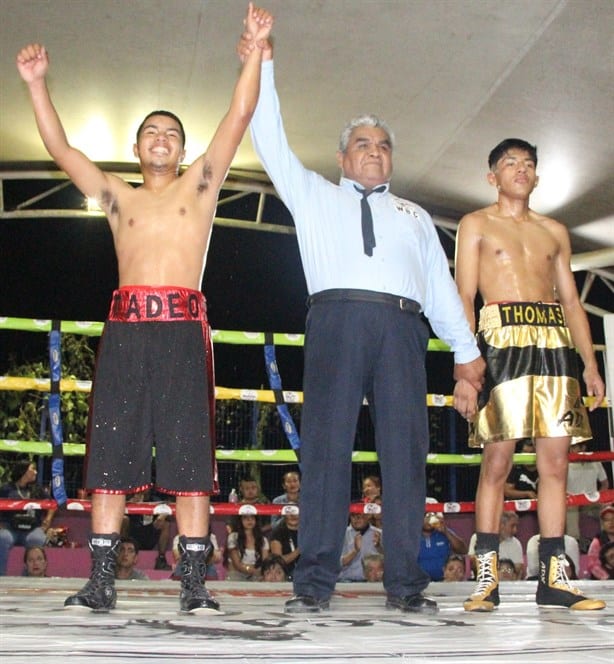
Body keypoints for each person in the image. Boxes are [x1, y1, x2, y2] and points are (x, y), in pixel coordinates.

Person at [15, 3, 274, 614]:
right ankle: (101, 581)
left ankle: (192, 585)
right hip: (128, 328)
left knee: (189, 459)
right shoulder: (114, 197)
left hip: (183, 328)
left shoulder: (201, 186)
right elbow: (59, 147)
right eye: (152, 132)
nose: (162, 139)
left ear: (183, 149)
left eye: (172, 133)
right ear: (136, 146)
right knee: (108, 452)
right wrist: (35, 84)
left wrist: (256, 51)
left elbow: (239, 115)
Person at [241, 25, 484, 616]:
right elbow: (269, 139)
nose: (375, 151)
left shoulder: (414, 215)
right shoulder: (313, 194)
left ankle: (405, 584)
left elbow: (440, 287)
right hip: (336, 320)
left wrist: (467, 355)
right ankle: (315, 582)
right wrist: (264, 66)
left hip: (402, 328)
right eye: (364, 144)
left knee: (406, 451)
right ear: (344, 156)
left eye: (383, 146)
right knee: (325, 448)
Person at [455, 137, 606, 612]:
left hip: (554, 342)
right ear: (492, 176)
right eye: (509, 163)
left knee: (556, 465)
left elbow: (572, 301)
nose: (519, 169)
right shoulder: (475, 224)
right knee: (496, 462)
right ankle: (486, 578)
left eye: (527, 164)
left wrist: (591, 364)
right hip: (500, 342)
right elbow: (463, 296)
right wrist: (463, 366)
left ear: (537, 176)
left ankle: (555, 579)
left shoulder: (555, 231)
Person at [0, 458, 58, 576]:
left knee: (37, 539)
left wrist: (47, 521)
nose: (36, 472)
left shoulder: (37, 489)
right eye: (33, 469)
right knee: (3, 538)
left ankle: (29, 578)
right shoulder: (6, 489)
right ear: (24, 471)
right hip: (10, 528)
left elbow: (52, 505)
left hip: (32, 528)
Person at [565, 441, 609, 543]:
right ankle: (574, 542)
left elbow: (605, 483)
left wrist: (599, 496)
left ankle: (606, 540)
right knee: (571, 508)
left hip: (591, 501)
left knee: (606, 507)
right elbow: (559, 487)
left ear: (583, 447)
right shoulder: (565, 463)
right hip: (572, 501)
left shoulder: (595, 461)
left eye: (574, 447)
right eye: (570, 447)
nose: (571, 450)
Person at [121, 490, 172, 571]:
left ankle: (161, 559)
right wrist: (130, 504)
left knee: (165, 524)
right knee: (124, 519)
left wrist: (162, 515)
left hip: (149, 534)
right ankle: (120, 555)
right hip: (132, 534)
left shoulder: (155, 498)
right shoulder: (129, 495)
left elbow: (170, 506)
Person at [468, 511, 525, 580]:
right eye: (512, 526)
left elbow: (518, 571)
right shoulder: (478, 538)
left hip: (507, 583)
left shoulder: (516, 543)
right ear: (501, 525)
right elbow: (474, 564)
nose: (515, 530)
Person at [418, 508, 467, 582]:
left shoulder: (443, 532)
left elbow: (463, 550)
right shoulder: (411, 535)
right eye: (426, 515)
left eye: (432, 515)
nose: (428, 519)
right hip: (417, 583)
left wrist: (446, 531)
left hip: (444, 581)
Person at [338, 512, 383, 582]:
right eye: (353, 516)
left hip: (373, 583)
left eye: (360, 515)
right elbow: (334, 564)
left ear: (368, 516)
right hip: (346, 582)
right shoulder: (340, 534)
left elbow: (391, 562)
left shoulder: (380, 534)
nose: (357, 519)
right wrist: (355, 551)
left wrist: (379, 547)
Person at [225, 513, 270, 580]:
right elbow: (237, 564)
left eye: (252, 517)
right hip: (237, 573)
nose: (249, 520)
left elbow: (264, 562)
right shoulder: (233, 537)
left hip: (257, 573)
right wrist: (251, 570)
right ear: (240, 520)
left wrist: (258, 572)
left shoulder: (263, 540)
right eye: (245, 518)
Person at [269, 506, 300, 579]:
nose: (293, 516)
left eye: (296, 512)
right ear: (284, 515)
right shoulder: (278, 532)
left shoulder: (309, 531)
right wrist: (299, 550)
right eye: (290, 513)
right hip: (287, 574)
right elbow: (279, 561)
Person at [586, 504, 614, 580]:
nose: (611, 522)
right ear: (602, 524)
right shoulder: (597, 541)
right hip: (602, 583)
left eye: (613, 519)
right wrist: (607, 578)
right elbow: (592, 565)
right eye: (607, 520)